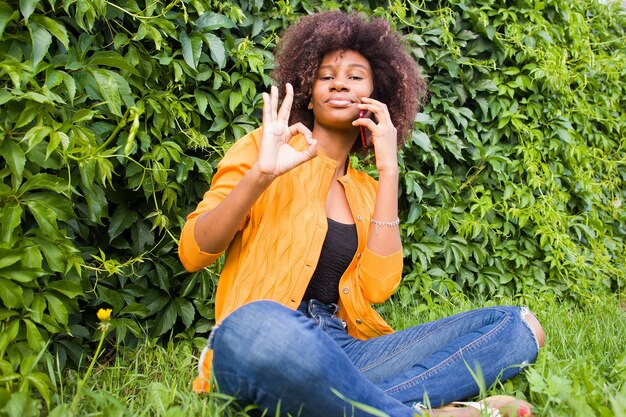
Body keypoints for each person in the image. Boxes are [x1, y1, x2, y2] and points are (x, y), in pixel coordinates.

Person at [179, 10, 545, 417]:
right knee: (260, 324)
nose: (339, 82)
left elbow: (378, 287)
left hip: (343, 350)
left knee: (517, 327)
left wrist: (389, 171)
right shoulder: (261, 150)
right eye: (326, 75)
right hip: (264, 340)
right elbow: (195, 253)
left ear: (377, 95)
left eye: (355, 76)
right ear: (307, 89)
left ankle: (357, 404)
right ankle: (419, 411)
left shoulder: (369, 189)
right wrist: (260, 177)